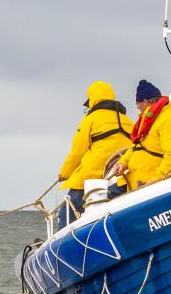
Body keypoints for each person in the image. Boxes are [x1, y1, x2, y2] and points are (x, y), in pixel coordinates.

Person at [55, 81, 133, 226]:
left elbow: (77, 152)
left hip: (91, 177)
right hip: (120, 177)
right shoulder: (128, 121)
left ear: (93, 99)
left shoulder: (90, 120)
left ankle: (61, 246)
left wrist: (64, 173)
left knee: (68, 211)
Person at [112, 79, 171, 190]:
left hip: (148, 184)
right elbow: (135, 147)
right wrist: (122, 163)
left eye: (138, 103)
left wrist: (153, 181)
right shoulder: (149, 119)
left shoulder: (168, 120)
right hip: (133, 181)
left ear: (146, 102)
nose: (137, 107)